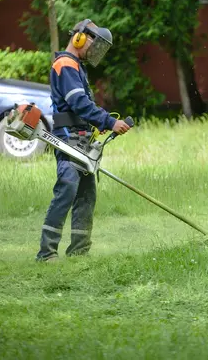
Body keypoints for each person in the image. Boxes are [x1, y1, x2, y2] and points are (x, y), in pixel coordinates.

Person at [36, 19, 131, 262]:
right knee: (66, 190)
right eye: (94, 41)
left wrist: (98, 125)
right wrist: (109, 121)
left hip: (82, 139)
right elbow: (79, 103)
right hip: (68, 138)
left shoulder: (76, 66)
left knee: (86, 195)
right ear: (79, 37)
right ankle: (46, 253)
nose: (95, 49)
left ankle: (79, 251)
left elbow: (83, 106)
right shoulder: (65, 64)